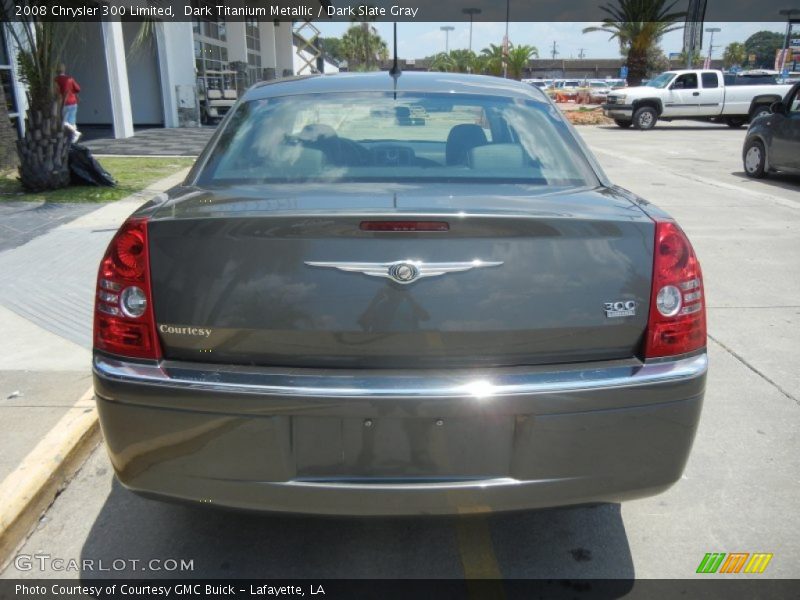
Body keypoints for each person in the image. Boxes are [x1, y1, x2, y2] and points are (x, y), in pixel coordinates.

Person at [55, 64, 81, 143]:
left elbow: (56, 92)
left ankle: (75, 134)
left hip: (65, 103)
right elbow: (78, 89)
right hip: (73, 102)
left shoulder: (56, 80)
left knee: (64, 122)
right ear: (64, 70)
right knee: (72, 121)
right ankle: (73, 140)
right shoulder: (70, 79)